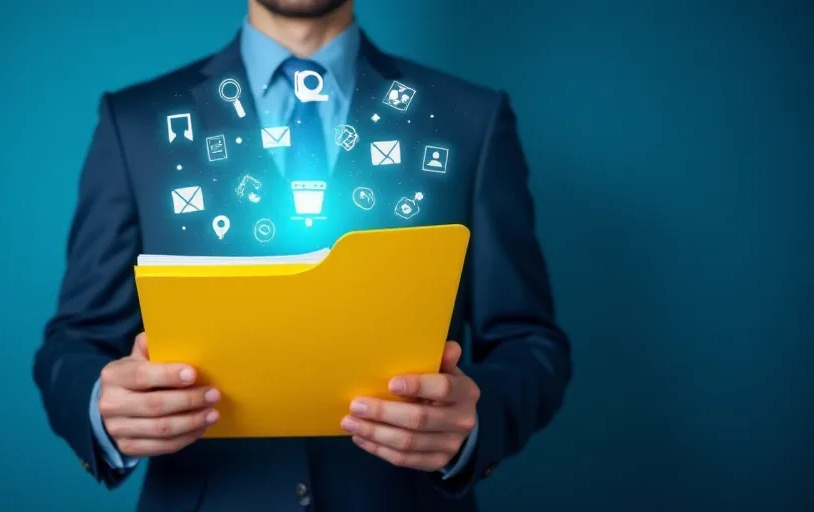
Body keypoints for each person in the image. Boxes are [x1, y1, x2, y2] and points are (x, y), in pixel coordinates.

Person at [32, 0, 573, 510]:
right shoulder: (135, 122)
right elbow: (77, 341)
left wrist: (475, 422)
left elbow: (528, 340)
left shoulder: (470, 119)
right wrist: (102, 408)